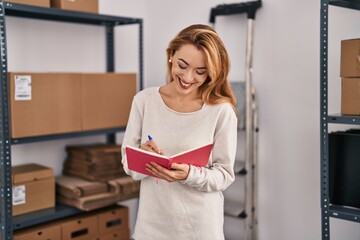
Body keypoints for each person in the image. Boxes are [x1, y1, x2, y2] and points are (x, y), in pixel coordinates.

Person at [121, 24, 237, 240]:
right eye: (182, 65)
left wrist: (189, 174)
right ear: (171, 56)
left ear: (211, 73)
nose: (188, 77)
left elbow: (224, 175)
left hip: (200, 230)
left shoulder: (221, 111)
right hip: (151, 229)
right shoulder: (144, 101)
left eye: (200, 71)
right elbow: (129, 166)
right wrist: (143, 155)